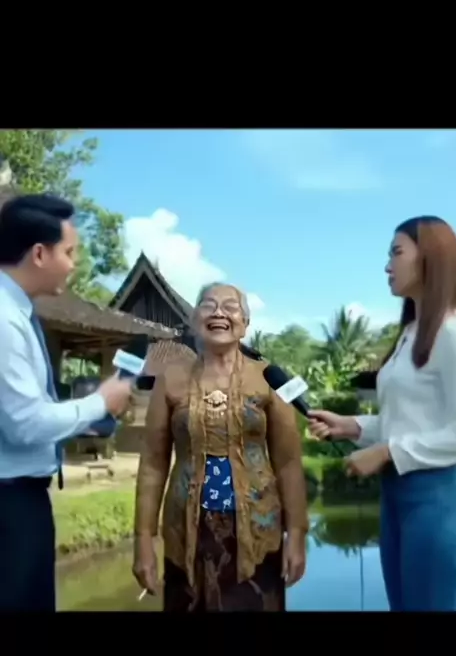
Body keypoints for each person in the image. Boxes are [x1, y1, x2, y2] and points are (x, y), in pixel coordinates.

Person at [308, 216, 456, 612]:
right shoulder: (410, 333)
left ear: (430, 256)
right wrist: (351, 426)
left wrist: (387, 452)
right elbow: (409, 421)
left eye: (396, 253)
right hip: (398, 496)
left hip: (438, 499)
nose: (388, 266)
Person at [133, 282, 308, 611]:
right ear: (194, 319)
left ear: (246, 322)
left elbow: (288, 463)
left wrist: (297, 533)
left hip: (259, 531)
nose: (218, 313)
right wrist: (143, 539)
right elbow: (154, 463)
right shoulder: (170, 379)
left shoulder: (269, 379)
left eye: (230, 307)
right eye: (208, 305)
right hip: (185, 532)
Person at [0, 192, 133, 612]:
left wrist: (81, 418)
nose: (74, 264)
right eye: (69, 252)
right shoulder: (4, 318)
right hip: (9, 506)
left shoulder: (18, 313)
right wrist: (100, 402)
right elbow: (26, 424)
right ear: (40, 254)